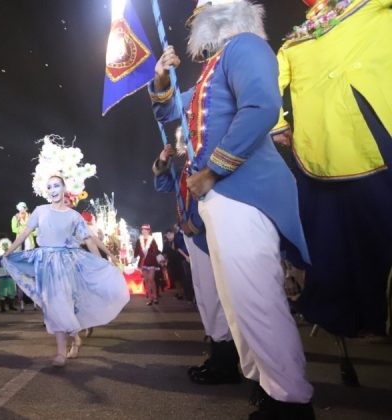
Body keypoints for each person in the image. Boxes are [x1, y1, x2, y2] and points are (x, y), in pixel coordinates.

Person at [149, 1, 314, 417]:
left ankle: (290, 401)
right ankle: (265, 385)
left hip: (244, 191)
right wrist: (161, 80)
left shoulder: (245, 47)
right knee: (238, 304)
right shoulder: (213, 67)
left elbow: (261, 108)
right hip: (219, 201)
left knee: (256, 300)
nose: (191, 21)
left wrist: (213, 171)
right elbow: (170, 111)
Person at [271, 0, 392, 339]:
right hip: (326, 149)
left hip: (381, 124)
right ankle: (366, 315)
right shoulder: (293, 44)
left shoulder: (371, 4)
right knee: (346, 243)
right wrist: (278, 124)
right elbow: (269, 84)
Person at [4, 175, 130, 367]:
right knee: (53, 305)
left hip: (67, 265)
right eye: (49, 187)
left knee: (64, 303)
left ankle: (64, 350)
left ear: (64, 188)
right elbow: (24, 233)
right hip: (46, 265)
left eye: (56, 185)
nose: (52, 189)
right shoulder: (40, 211)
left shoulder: (74, 216)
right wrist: (9, 251)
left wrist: (104, 259)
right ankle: (67, 344)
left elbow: (89, 238)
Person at [154, 144, 239, 386]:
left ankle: (227, 362)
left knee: (218, 297)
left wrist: (195, 221)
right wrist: (162, 162)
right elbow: (163, 186)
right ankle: (219, 356)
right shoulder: (186, 167)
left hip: (207, 231)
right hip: (192, 234)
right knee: (205, 296)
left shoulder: (211, 159)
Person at [134, 225, 161, 305]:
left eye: (145, 230)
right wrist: (134, 257)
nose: (143, 231)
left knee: (151, 279)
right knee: (146, 280)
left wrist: (159, 257)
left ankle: (155, 297)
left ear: (149, 230)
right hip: (143, 262)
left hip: (151, 261)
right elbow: (137, 249)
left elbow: (156, 249)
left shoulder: (152, 239)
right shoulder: (139, 240)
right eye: (142, 229)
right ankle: (150, 298)